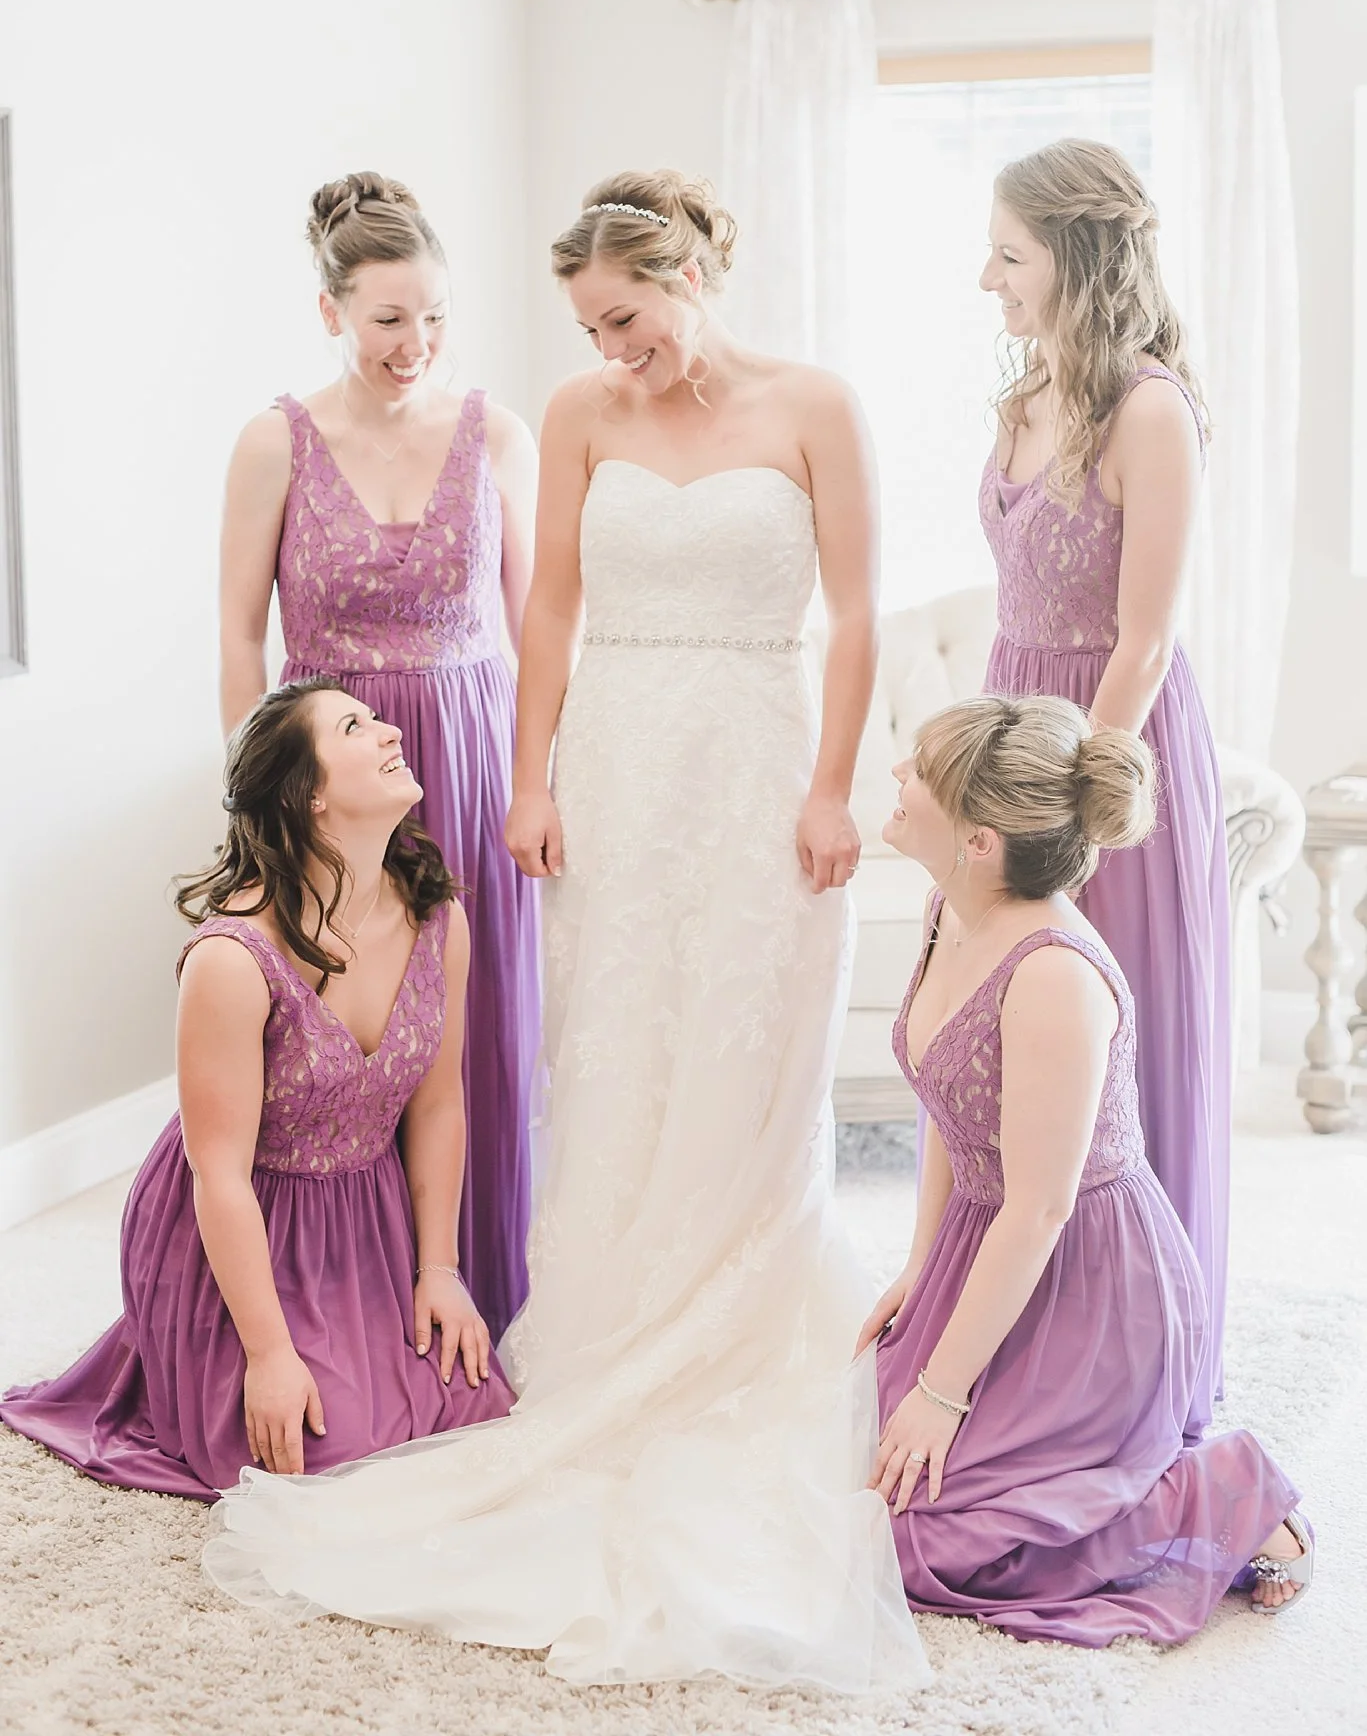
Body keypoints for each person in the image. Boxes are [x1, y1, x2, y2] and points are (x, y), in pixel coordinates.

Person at [196, 170, 928, 1695]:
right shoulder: (582, 414)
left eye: (625, 316)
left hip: (756, 750)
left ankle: (733, 1317)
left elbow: (857, 615)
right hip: (613, 761)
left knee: (750, 1041)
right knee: (608, 1045)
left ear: (687, 278)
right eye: (589, 328)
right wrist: (528, 777)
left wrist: (831, 787)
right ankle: (601, 1322)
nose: (610, 348)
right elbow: (544, 614)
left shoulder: (816, 405)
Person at [860, 694, 1311, 1641]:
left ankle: (1226, 1493)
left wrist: (942, 1393)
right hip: (989, 1253)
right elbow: (948, 1100)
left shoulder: (1053, 974)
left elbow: (1039, 1209)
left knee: (919, 1546)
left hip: (1090, 1295)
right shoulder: (951, 908)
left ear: (979, 840)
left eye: (920, 771)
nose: (897, 774)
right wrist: (919, 1265)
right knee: (854, 1480)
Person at [0, 681, 514, 1498]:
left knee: (472, 1406)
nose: (389, 731)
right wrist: (270, 1355)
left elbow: (438, 1102)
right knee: (326, 1458)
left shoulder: (435, 917)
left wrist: (440, 1270)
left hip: (368, 1225)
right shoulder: (232, 959)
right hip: (241, 1233)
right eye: (355, 726)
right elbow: (219, 1175)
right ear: (309, 795)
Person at [219, 173, 539, 1342]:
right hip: (334, 776)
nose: (416, 343)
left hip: (471, 758)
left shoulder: (497, 435)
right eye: (389, 318)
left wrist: (542, 781)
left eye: (436, 316)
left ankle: (476, 1286)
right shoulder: (275, 442)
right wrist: (257, 808)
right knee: (337, 1039)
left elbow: (539, 627)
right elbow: (236, 637)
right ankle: (340, 1307)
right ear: (331, 311)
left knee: (473, 1033)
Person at [977, 138, 1230, 1437]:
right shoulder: (1022, 392)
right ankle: (1015, 1334)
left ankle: (1141, 1357)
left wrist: (1067, 806)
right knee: (1003, 1043)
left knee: (1111, 1050)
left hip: (1103, 757)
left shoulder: (1148, 410)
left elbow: (1143, 639)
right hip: (1013, 722)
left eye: (1007, 256)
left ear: (1073, 261)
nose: (985, 279)